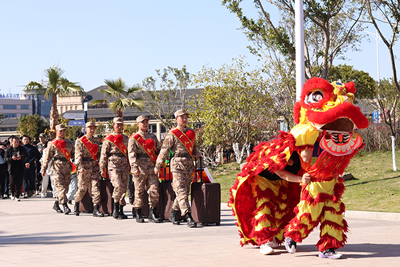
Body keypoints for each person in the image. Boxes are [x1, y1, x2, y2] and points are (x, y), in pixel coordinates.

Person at [255, 151, 310, 255]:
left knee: (282, 207)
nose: (291, 164)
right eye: (288, 160)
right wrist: (301, 179)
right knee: (264, 206)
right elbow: (282, 173)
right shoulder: (274, 152)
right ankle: (264, 241)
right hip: (263, 178)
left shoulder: (304, 153)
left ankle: (275, 236)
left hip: (281, 181)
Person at [154, 109, 201, 228]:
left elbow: (194, 147)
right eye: (182, 117)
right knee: (181, 191)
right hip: (177, 165)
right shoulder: (172, 134)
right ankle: (188, 216)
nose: (184, 119)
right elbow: (164, 151)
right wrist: (158, 165)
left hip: (189, 165)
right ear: (176, 119)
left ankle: (173, 213)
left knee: (185, 191)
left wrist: (197, 153)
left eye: (186, 117)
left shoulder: (190, 132)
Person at [128, 115, 162, 223]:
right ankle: (138, 213)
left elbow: (159, 150)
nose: (145, 124)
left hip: (151, 167)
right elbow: (131, 155)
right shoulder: (134, 138)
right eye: (143, 122)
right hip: (140, 167)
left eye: (146, 122)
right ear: (137, 124)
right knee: (139, 191)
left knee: (154, 189)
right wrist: (134, 168)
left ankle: (152, 212)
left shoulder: (152, 136)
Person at [99, 117, 129, 220]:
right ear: (113, 125)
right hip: (114, 165)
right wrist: (102, 168)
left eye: (121, 125)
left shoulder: (126, 138)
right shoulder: (109, 139)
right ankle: (115, 208)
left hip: (124, 165)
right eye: (118, 125)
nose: (120, 127)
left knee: (124, 188)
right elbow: (104, 154)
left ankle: (121, 209)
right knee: (118, 186)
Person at [41, 124, 75, 214]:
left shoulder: (69, 143)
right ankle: (65, 206)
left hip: (67, 168)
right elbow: (47, 157)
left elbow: (74, 154)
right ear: (56, 132)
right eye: (60, 131)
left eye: (64, 131)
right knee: (60, 187)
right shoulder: (52, 144)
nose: (62, 132)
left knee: (65, 188)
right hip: (57, 167)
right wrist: (43, 169)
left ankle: (56, 204)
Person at [74, 122, 104, 217]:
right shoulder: (80, 141)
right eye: (90, 128)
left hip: (94, 166)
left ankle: (96, 209)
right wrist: (80, 166)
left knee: (96, 188)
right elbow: (78, 155)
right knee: (82, 188)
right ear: (85, 129)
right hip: (84, 166)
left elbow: (98, 153)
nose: (92, 130)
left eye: (93, 128)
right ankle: (76, 204)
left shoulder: (96, 140)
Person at [5, 136, 28, 201]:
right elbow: (5, 159)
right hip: (12, 168)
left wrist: (21, 157)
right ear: (11, 142)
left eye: (17, 142)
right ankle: (12, 194)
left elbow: (26, 155)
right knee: (12, 182)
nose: (16, 143)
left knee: (19, 182)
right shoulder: (9, 150)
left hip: (20, 167)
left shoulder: (22, 148)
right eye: (15, 142)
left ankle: (17, 195)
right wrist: (11, 159)